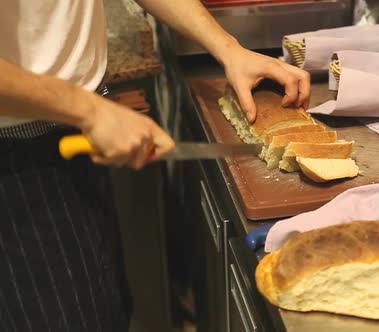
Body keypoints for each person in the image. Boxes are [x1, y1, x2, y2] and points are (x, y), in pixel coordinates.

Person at [0, 0, 311, 331]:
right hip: (19, 160)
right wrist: (88, 110)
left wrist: (228, 48)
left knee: (105, 310)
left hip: (70, 127)